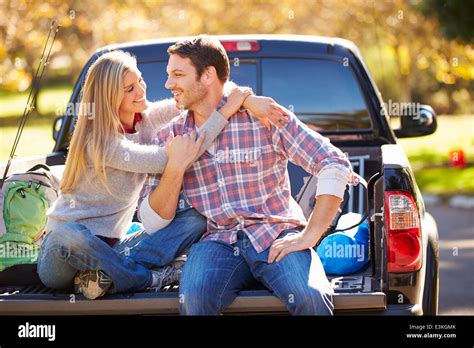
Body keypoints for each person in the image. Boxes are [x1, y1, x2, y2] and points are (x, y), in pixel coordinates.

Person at [37, 50, 288, 300]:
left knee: (196, 218)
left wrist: (246, 99)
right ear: (109, 97)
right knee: (69, 234)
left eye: (140, 81)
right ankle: (148, 278)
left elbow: (207, 89)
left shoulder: (146, 119)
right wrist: (225, 113)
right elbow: (175, 159)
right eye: (129, 89)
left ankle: (106, 277)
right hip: (62, 257)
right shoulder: (100, 143)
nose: (141, 90)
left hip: (114, 248)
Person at [141, 35, 359, 315]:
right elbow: (151, 221)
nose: (168, 84)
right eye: (169, 75)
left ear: (208, 76)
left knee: (311, 296)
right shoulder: (171, 135)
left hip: (275, 233)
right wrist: (175, 168)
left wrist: (310, 234)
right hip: (217, 240)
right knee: (194, 300)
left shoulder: (264, 117)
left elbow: (333, 162)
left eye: (178, 75)